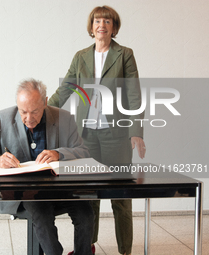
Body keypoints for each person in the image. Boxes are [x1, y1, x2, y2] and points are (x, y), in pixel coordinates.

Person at [48, 6, 146, 255]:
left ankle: (125, 251)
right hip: (87, 137)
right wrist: (43, 109)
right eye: (97, 21)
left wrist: (136, 131)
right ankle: (87, 247)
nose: (102, 25)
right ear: (91, 27)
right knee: (88, 195)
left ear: (114, 27)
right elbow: (67, 88)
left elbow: (134, 94)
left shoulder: (124, 55)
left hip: (116, 135)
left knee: (121, 196)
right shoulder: (81, 56)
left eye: (107, 21)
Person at [0, 78, 94, 255]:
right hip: (25, 191)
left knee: (86, 214)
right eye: (23, 112)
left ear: (45, 102)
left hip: (61, 187)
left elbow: (83, 151)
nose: (29, 119)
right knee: (41, 214)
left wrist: (59, 154)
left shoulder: (64, 118)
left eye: (35, 112)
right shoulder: (2, 119)